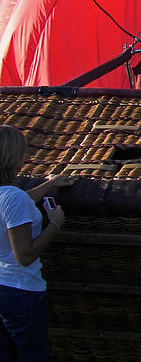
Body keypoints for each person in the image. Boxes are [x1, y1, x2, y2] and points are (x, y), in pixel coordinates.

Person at [0, 125, 74, 361]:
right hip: (21, 291)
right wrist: (55, 224)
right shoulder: (13, 198)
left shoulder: (9, 196)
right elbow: (24, 255)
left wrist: (50, 183)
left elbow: (19, 202)